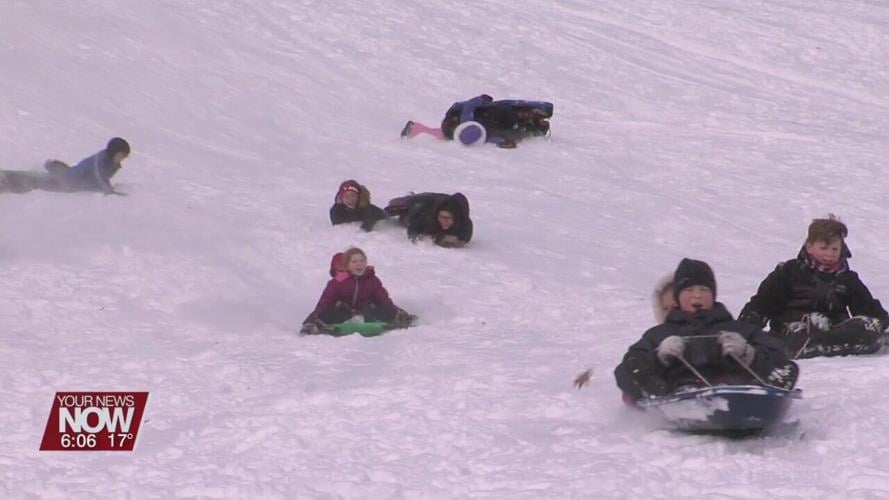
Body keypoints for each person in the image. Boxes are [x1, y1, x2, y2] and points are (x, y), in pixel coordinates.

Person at [613, 258, 798, 403]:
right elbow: (626, 370)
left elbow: (784, 362)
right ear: (677, 297)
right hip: (681, 394)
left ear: (713, 294)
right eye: (689, 290)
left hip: (741, 392)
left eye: (704, 289)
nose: (697, 295)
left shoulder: (739, 330)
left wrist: (750, 355)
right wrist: (659, 358)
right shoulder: (659, 334)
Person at [738, 215, 888, 358]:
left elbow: (868, 308)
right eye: (824, 248)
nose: (829, 254)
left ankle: (823, 345)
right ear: (809, 247)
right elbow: (761, 305)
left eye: (835, 249)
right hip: (792, 330)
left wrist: (880, 325)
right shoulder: (789, 272)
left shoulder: (846, 278)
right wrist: (743, 334)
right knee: (807, 328)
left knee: (868, 327)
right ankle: (803, 345)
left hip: (834, 332)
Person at [575, 273, 676, 389]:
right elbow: (629, 366)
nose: (670, 313)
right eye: (665, 308)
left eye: (675, 307)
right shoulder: (655, 336)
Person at [300, 248, 413, 335]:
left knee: (379, 308)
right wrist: (313, 317)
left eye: (361, 261)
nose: (359, 264)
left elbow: (384, 300)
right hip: (343, 312)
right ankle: (314, 324)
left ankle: (401, 318)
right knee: (329, 311)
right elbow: (325, 300)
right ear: (347, 265)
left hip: (365, 311)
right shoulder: (339, 281)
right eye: (354, 262)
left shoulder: (372, 280)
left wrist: (396, 312)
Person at [400, 94, 553, 148]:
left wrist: (481, 99)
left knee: (443, 135)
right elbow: (488, 138)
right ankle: (415, 129)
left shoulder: (468, 120)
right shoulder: (473, 128)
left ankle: (415, 129)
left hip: (460, 117)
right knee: (443, 135)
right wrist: (501, 142)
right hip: (457, 119)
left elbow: (471, 107)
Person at [0, 137, 130, 195]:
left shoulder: (110, 162)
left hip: (70, 179)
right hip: (67, 181)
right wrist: (109, 191)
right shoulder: (101, 160)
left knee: (38, 180)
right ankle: (4, 182)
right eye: (122, 154)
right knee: (36, 182)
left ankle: (7, 181)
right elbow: (98, 175)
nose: (123, 158)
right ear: (115, 152)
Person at [384, 192, 472, 247]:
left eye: (448, 218)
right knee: (398, 206)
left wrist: (456, 242)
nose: (444, 221)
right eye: (441, 217)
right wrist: (423, 239)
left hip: (437, 201)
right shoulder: (427, 217)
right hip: (420, 205)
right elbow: (413, 228)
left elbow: (464, 238)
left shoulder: (464, 225)